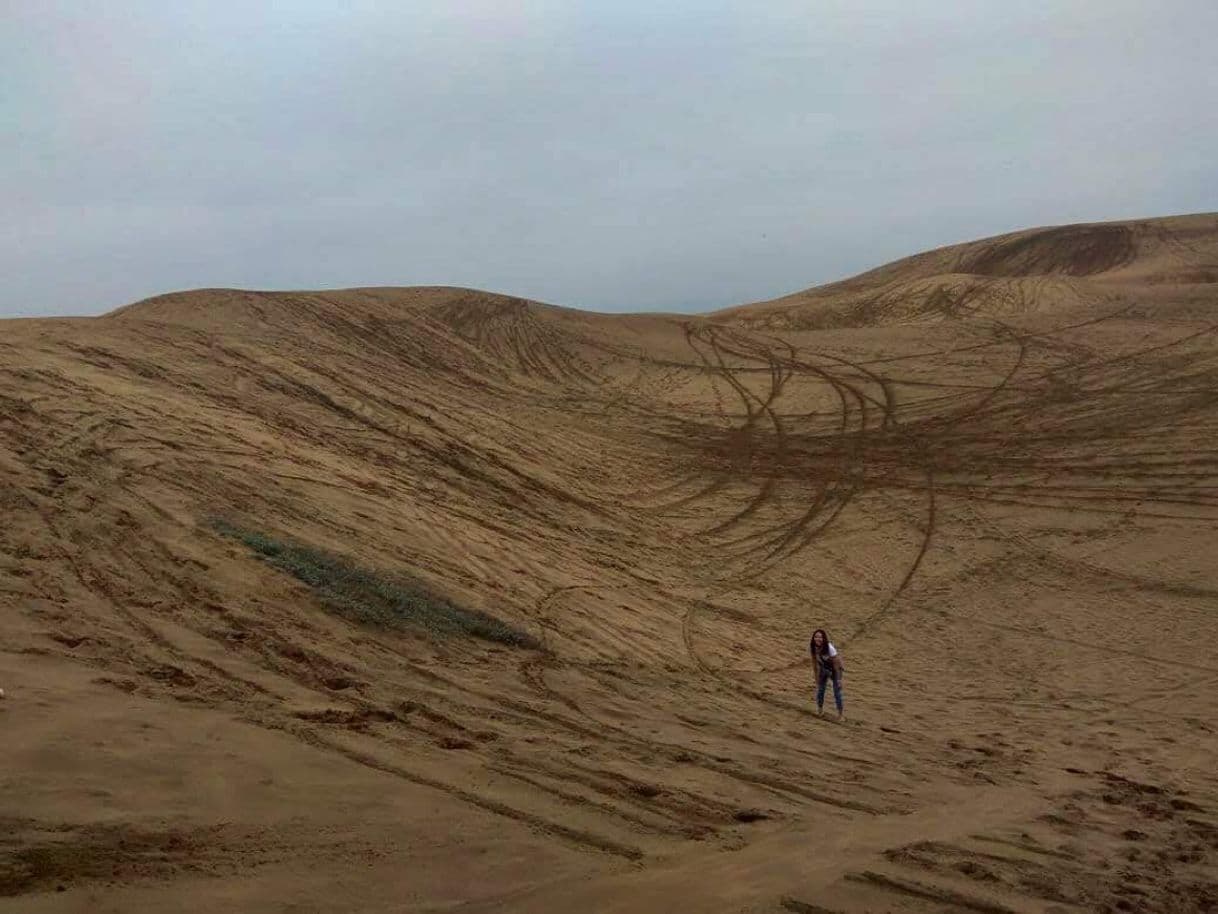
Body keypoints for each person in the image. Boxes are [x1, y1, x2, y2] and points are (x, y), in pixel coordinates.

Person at [809, 628, 844, 720]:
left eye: (820, 637)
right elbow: (814, 663)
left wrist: (839, 679)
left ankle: (840, 715)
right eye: (816, 637)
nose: (818, 639)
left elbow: (836, 662)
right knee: (820, 690)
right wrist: (816, 676)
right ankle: (820, 710)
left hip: (835, 670)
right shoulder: (813, 647)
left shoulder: (829, 647)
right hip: (824, 669)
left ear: (824, 638)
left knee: (837, 693)